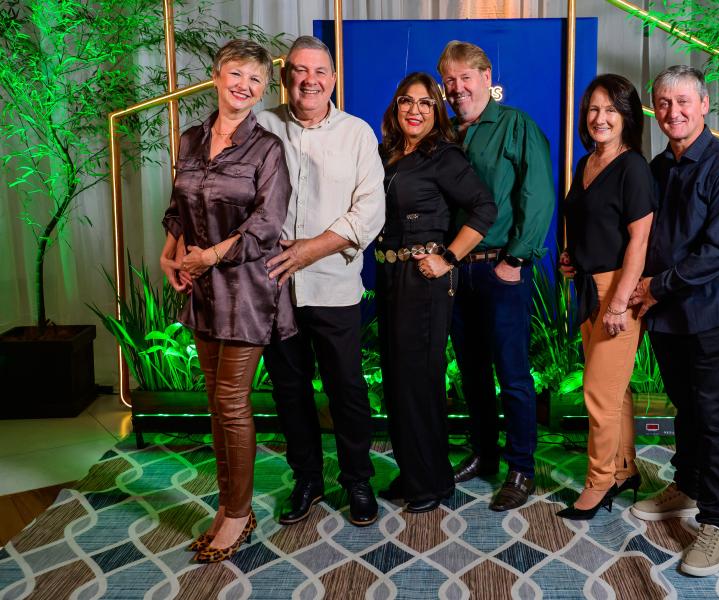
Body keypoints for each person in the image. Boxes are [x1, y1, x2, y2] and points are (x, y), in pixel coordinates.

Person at [160, 39, 296, 563]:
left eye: (255, 80)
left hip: (246, 288)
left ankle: (238, 514)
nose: (244, 85)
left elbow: (267, 225)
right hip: (201, 287)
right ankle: (227, 505)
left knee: (232, 401)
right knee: (215, 402)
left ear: (263, 92)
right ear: (216, 76)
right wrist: (172, 253)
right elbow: (180, 207)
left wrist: (207, 257)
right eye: (236, 74)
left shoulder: (267, 148)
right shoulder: (191, 138)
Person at [629, 65, 719, 577]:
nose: (673, 112)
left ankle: (717, 522)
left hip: (707, 315)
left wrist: (655, 287)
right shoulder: (658, 167)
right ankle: (686, 486)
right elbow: (640, 233)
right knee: (685, 407)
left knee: (713, 415)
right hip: (666, 316)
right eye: (663, 103)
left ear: (704, 105)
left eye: (683, 102)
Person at [258, 36, 386, 527]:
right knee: (289, 389)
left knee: (346, 388)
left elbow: (370, 209)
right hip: (274, 289)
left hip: (333, 285)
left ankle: (357, 479)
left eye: (319, 71)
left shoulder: (357, 133)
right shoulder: (261, 126)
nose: (309, 80)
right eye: (300, 70)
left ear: (333, 79)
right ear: (285, 76)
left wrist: (312, 248)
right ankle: (307, 478)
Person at [437, 41, 554, 512]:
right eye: (449, 80)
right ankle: (484, 452)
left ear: (487, 77)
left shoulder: (516, 125)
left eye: (465, 77)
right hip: (456, 272)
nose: (457, 88)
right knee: (472, 372)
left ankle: (521, 467)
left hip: (500, 268)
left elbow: (538, 196)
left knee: (512, 374)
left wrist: (516, 261)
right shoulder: (446, 133)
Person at [376, 72, 496, 513]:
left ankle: (431, 483)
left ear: (437, 110)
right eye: (406, 101)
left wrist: (448, 257)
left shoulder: (442, 155)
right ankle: (413, 471)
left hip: (424, 279)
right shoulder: (388, 153)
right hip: (390, 276)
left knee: (419, 381)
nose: (415, 110)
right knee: (396, 379)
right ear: (396, 107)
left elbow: (485, 207)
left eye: (425, 103)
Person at [555, 74, 654, 520]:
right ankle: (624, 467)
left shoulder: (633, 168)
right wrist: (570, 258)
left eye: (611, 109)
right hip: (586, 286)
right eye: (594, 109)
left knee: (598, 391)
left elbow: (639, 241)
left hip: (617, 290)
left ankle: (599, 483)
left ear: (627, 116)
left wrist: (618, 303)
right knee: (615, 389)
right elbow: (586, 222)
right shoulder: (587, 163)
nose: (601, 118)